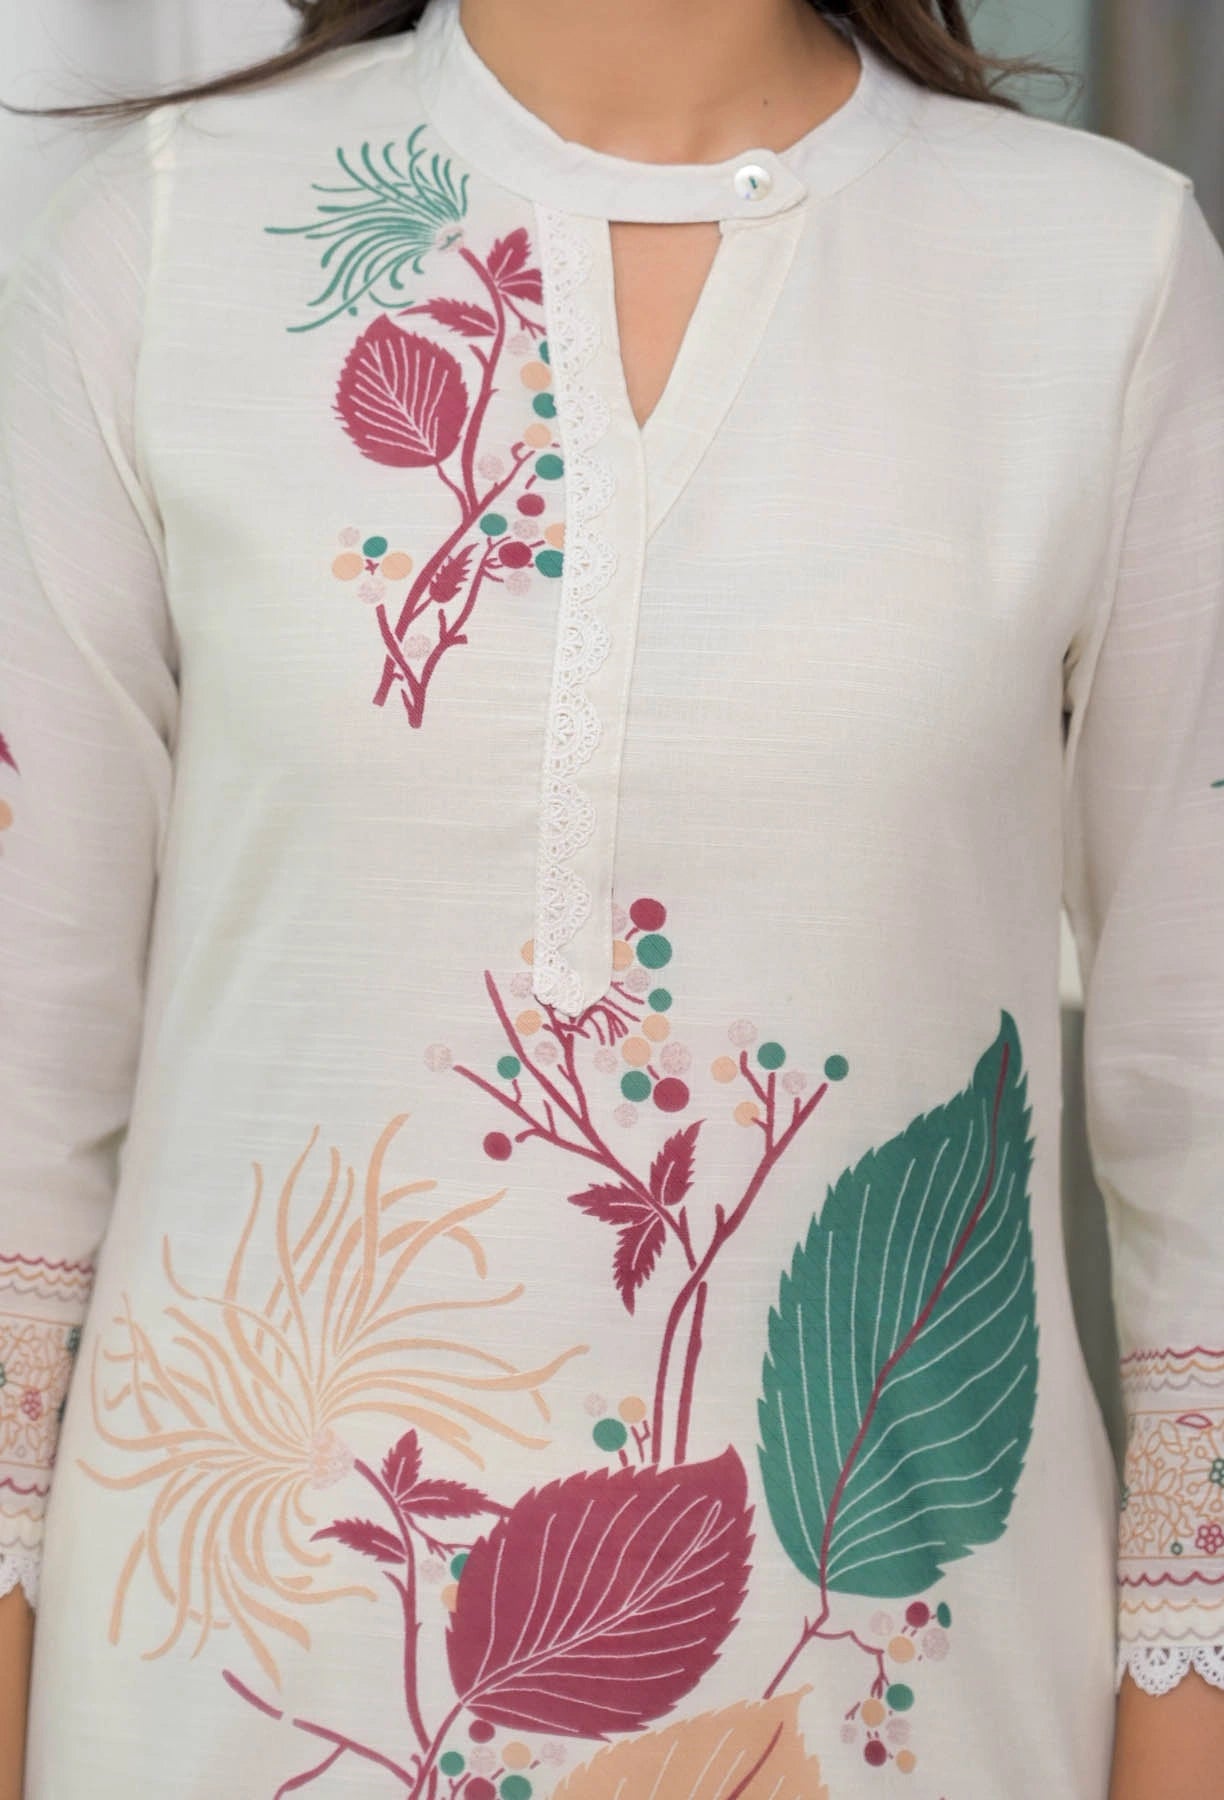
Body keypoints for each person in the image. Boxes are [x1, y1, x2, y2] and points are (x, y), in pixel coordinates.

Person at [1, 0, 1223, 1793]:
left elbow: (1203, 1103)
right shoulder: (165, 235)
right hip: (212, 1704)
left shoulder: (1099, 273)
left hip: (907, 1719)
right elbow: (19, 1084)